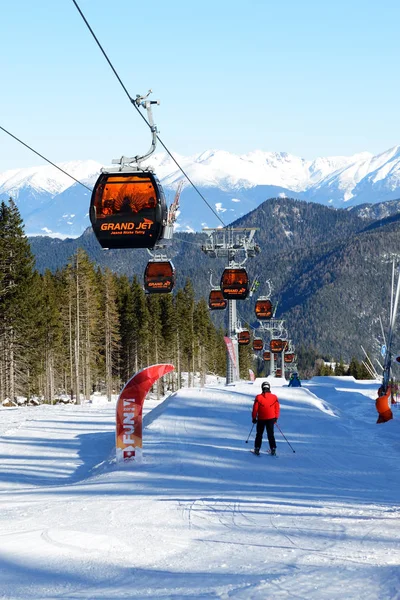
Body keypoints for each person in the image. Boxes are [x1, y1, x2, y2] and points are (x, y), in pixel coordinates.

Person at [252, 381, 280, 455]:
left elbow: (255, 409)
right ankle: (273, 448)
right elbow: (277, 408)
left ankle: (257, 448)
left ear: (262, 388)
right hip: (271, 418)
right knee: (270, 434)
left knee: (259, 434)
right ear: (269, 388)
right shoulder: (274, 397)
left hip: (261, 418)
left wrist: (254, 418)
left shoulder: (258, 397)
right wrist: (276, 417)